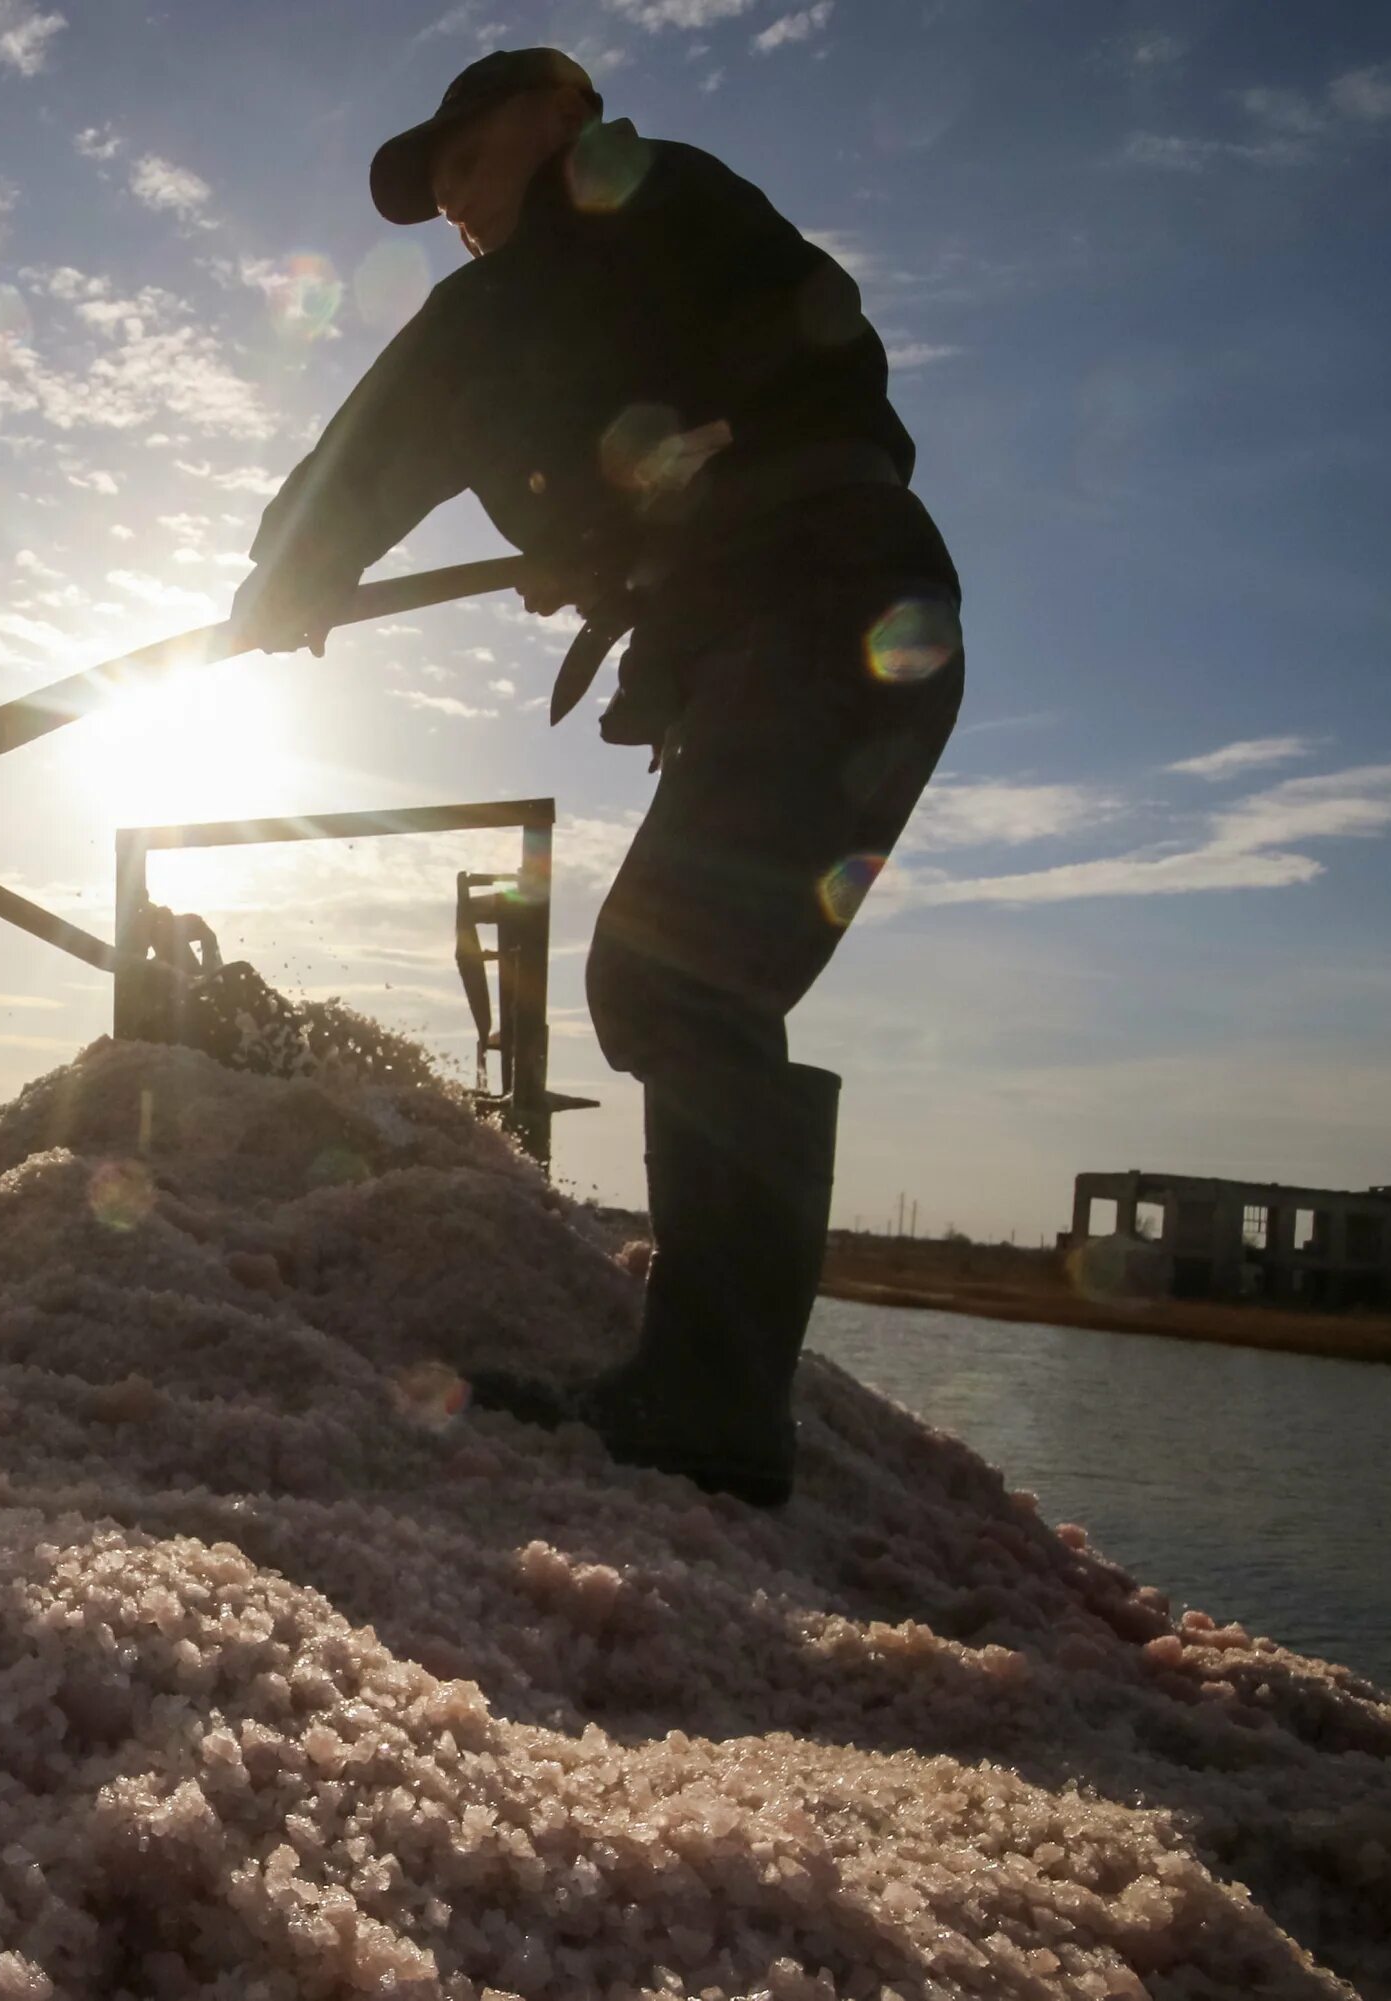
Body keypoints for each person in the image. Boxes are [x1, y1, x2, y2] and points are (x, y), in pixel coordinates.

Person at [228, 50, 964, 1505]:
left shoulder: (619, 209)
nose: (453, 205)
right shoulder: (620, 271)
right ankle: (717, 1390)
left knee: (672, 979)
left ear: (559, 112)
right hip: (841, 623)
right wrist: (625, 526)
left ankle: (712, 1405)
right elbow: (642, 399)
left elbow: (420, 409)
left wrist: (291, 569)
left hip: (831, 615)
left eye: (462, 162)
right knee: (694, 983)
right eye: (434, 190)